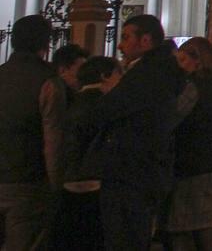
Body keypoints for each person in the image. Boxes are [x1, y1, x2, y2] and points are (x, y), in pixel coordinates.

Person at [93, 14, 187, 250]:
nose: (120, 45)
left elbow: (107, 112)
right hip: (144, 170)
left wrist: (113, 92)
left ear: (145, 41)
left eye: (126, 37)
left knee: (125, 238)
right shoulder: (162, 69)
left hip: (132, 171)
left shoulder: (147, 73)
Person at [164, 37, 212, 251]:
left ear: (197, 60)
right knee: (210, 230)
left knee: (181, 227)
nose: (179, 65)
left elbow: (172, 117)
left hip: (196, 164)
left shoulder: (195, 86)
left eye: (182, 60)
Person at [0, 15, 64, 251]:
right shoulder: (47, 82)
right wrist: (56, 184)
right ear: (45, 44)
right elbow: (53, 141)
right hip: (26, 182)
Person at [49, 56, 121, 251]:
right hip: (95, 184)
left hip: (69, 181)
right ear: (105, 76)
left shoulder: (71, 103)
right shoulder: (107, 106)